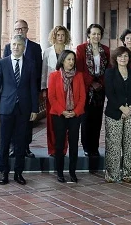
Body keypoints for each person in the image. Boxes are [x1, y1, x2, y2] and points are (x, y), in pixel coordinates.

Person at [0, 35, 39, 185]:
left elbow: (33, 88)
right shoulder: (3, 63)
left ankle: (18, 173)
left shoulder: (31, 64)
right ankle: (4, 173)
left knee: (20, 143)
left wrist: (34, 109)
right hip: (6, 109)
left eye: (19, 44)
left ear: (24, 47)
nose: (16, 47)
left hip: (23, 110)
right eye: (13, 44)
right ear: (10, 46)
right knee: (4, 143)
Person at [3, 19, 42, 158]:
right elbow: (5, 70)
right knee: (13, 121)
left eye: (22, 29)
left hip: (28, 91)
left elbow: (39, 70)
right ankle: (14, 148)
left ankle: (26, 147)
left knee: (27, 122)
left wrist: (36, 91)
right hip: (12, 93)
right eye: (17, 29)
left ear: (27, 29)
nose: (20, 31)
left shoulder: (36, 48)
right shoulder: (8, 47)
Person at [104, 46, 131, 183]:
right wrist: (122, 108)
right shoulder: (109, 73)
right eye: (120, 56)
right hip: (114, 113)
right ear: (115, 58)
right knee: (113, 145)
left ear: (129, 58)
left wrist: (130, 108)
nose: (123, 59)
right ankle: (112, 175)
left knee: (130, 145)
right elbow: (110, 93)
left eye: (126, 56)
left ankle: (128, 174)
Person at [47, 49, 85, 183]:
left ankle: (73, 172)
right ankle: (59, 173)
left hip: (75, 114)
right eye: (68, 59)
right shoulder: (54, 76)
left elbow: (82, 97)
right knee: (59, 145)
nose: (71, 62)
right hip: (59, 114)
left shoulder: (79, 76)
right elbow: (52, 97)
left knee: (74, 144)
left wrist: (75, 111)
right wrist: (62, 111)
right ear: (62, 61)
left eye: (73, 60)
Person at [75, 24, 110, 157]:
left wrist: (100, 83)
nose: (96, 36)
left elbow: (108, 68)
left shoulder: (105, 50)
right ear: (88, 35)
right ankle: (86, 146)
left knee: (97, 119)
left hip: (100, 89)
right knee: (86, 119)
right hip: (86, 89)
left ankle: (94, 147)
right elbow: (79, 69)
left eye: (98, 34)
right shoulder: (81, 49)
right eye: (93, 33)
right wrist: (91, 83)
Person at [41, 25, 71, 156]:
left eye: (63, 35)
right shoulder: (47, 52)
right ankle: (52, 149)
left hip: (66, 90)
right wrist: (43, 88)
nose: (60, 37)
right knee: (51, 120)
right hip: (51, 89)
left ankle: (63, 148)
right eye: (58, 35)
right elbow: (44, 71)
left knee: (64, 121)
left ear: (66, 37)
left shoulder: (69, 51)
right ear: (54, 36)